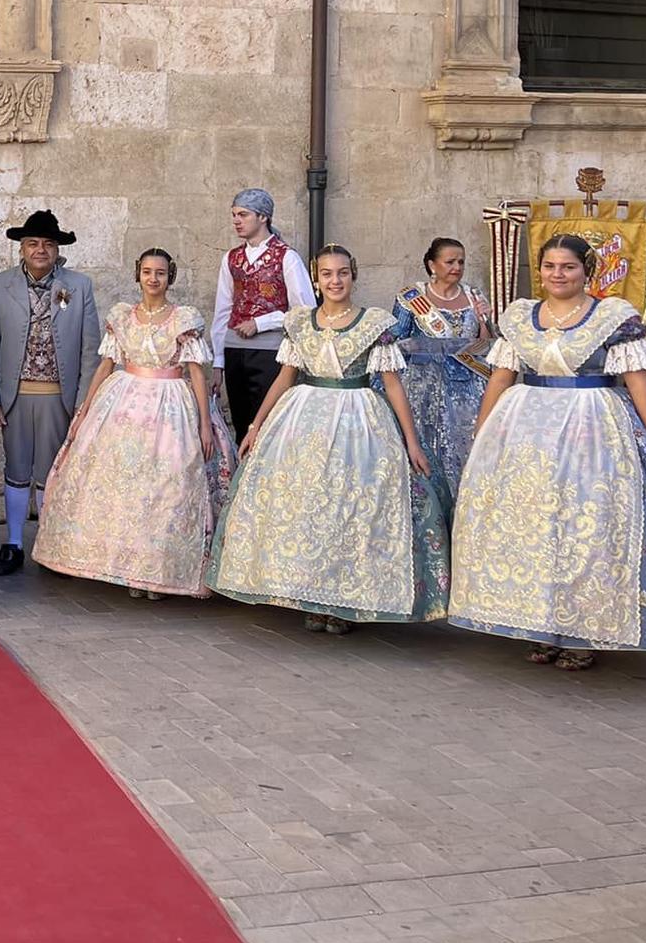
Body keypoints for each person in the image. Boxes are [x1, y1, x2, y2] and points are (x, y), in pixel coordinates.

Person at [447, 234, 646, 670]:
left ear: (586, 271)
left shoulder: (614, 317)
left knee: (589, 528)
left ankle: (584, 631)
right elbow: (501, 377)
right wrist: (483, 432)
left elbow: (637, 382)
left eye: (568, 267)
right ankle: (540, 624)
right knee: (536, 527)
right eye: (550, 266)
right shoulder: (520, 317)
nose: (558, 274)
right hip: (527, 431)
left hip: (593, 431)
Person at [209, 245, 448, 635]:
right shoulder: (300, 323)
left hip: (360, 422)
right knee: (310, 508)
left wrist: (412, 442)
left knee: (350, 508)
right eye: (326, 275)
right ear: (317, 281)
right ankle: (311, 595)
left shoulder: (374, 324)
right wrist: (255, 426)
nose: (335, 281)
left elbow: (392, 384)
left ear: (353, 276)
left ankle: (344, 602)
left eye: (342, 273)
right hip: (304, 419)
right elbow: (285, 377)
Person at [33, 248, 237, 599]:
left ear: (169, 276)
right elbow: (106, 364)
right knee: (124, 487)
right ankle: (128, 568)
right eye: (146, 272)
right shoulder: (123, 317)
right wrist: (86, 408)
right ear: (137, 274)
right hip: (122, 404)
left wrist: (205, 423)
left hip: (171, 405)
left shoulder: (183, 319)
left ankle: (158, 571)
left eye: (160, 272)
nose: (153, 278)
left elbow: (196, 374)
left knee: (165, 488)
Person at [0, 209, 101, 576]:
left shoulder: (79, 286)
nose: (40, 250)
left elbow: (89, 348)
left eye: (48, 244)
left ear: (58, 248)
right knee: (15, 469)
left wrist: (83, 403)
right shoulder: (1, 285)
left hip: (58, 396)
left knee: (52, 471)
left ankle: (49, 545)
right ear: (21, 249)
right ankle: (14, 542)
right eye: (33, 243)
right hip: (14, 396)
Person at [390, 237, 494, 503]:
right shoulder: (411, 298)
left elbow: (488, 345)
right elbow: (394, 342)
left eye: (461, 262)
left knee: (466, 451)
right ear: (432, 264)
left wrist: (484, 320)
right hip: (422, 389)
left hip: (467, 391)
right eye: (450, 262)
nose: (457, 267)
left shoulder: (474, 296)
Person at [210, 188, 316, 443]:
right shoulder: (231, 258)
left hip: (271, 352)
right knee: (239, 421)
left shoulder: (286, 257)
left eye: (243, 214)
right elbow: (223, 309)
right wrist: (218, 361)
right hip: (235, 350)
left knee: (268, 422)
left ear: (263, 217)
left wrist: (261, 323)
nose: (236, 220)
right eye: (234, 214)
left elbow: (305, 311)